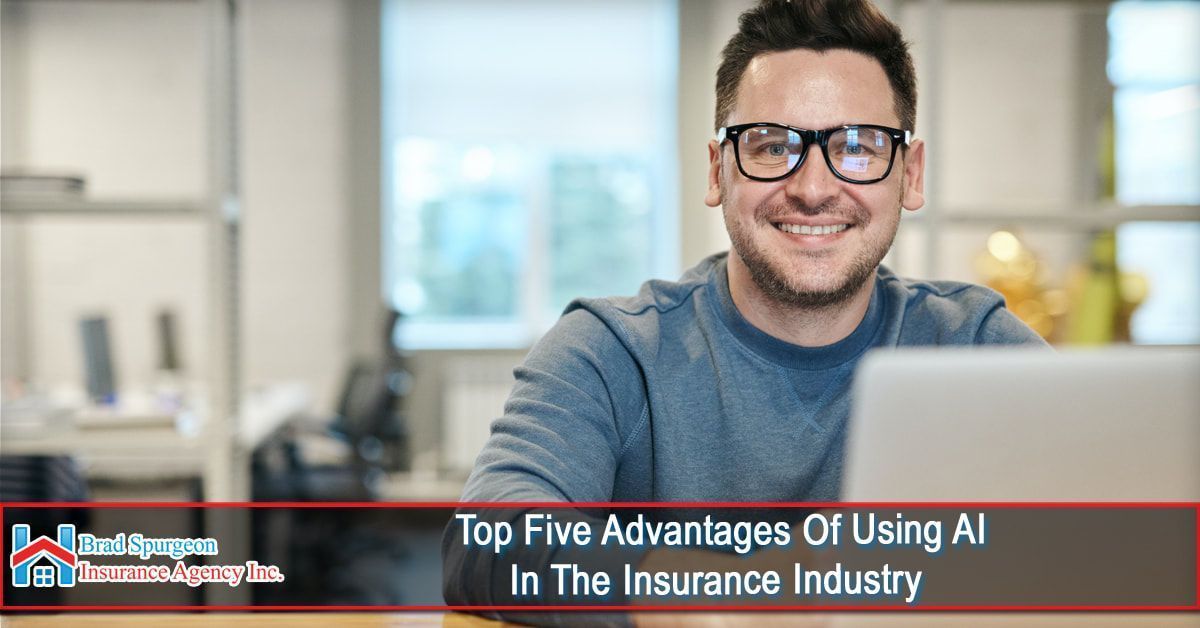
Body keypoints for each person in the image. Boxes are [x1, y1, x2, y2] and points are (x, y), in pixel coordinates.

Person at [444, 0, 1044, 613]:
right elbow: (488, 542)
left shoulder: (974, 346)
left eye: (859, 147)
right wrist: (710, 594)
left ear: (910, 175)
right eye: (768, 146)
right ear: (717, 170)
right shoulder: (613, 351)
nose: (813, 189)